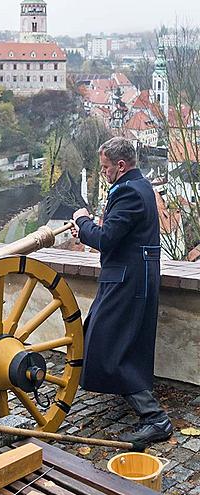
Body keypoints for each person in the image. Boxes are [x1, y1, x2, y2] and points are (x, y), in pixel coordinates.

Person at [71, 136, 173, 446]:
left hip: (128, 279)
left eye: (104, 168)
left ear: (120, 165)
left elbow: (107, 238)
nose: (103, 173)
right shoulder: (140, 185)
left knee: (109, 343)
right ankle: (138, 402)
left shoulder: (128, 191)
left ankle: (155, 418)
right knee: (116, 339)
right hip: (131, 276)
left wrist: (82, 221)